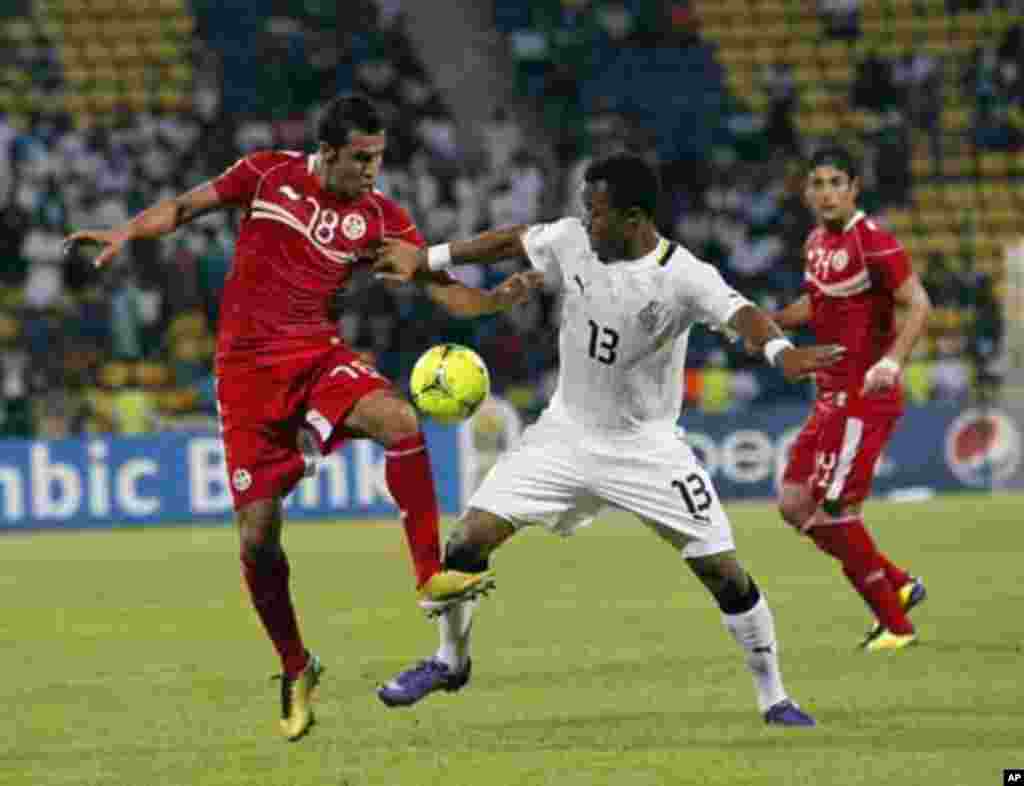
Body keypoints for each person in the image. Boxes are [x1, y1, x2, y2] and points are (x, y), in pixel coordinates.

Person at [64, 94, 543, 741]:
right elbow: (183, 207)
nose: (373, 170)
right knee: (257, 538)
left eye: (379, 157)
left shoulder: (379, 218)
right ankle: (296, 665)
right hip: (244, 377)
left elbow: (437, 284)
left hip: (317, 357)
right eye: (360, 158)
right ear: (326, 152)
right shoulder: (265, 175)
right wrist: (127, 231)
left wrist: (490, 301)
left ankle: (430, 575)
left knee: (400, 422)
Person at [370, 152, 846, 726]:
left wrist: (782, 352)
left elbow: (741, 314)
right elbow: (511, 242)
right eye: (584, 211)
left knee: (723, 572)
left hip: (647, 449)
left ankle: (774, 696)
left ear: (634, 218)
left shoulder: (683, 275)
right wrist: (429, 258)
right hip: (564, 436)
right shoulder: (573, 240)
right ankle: (451, 661)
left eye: (596, 214)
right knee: (466, 543)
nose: (585, 223)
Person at [768, 145, 932, 652]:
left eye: (836, 182)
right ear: (806, 193)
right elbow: (813, 304)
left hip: (864, 397)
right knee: (794, 502)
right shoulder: (816, 241)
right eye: (817, 184)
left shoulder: (874, 243)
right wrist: (760, 321)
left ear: (854, 188)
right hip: (830, 396)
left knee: (836, 510)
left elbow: (919, 303)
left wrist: (891, 362)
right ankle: (898, 584)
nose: (826, 192)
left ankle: (896, 626)